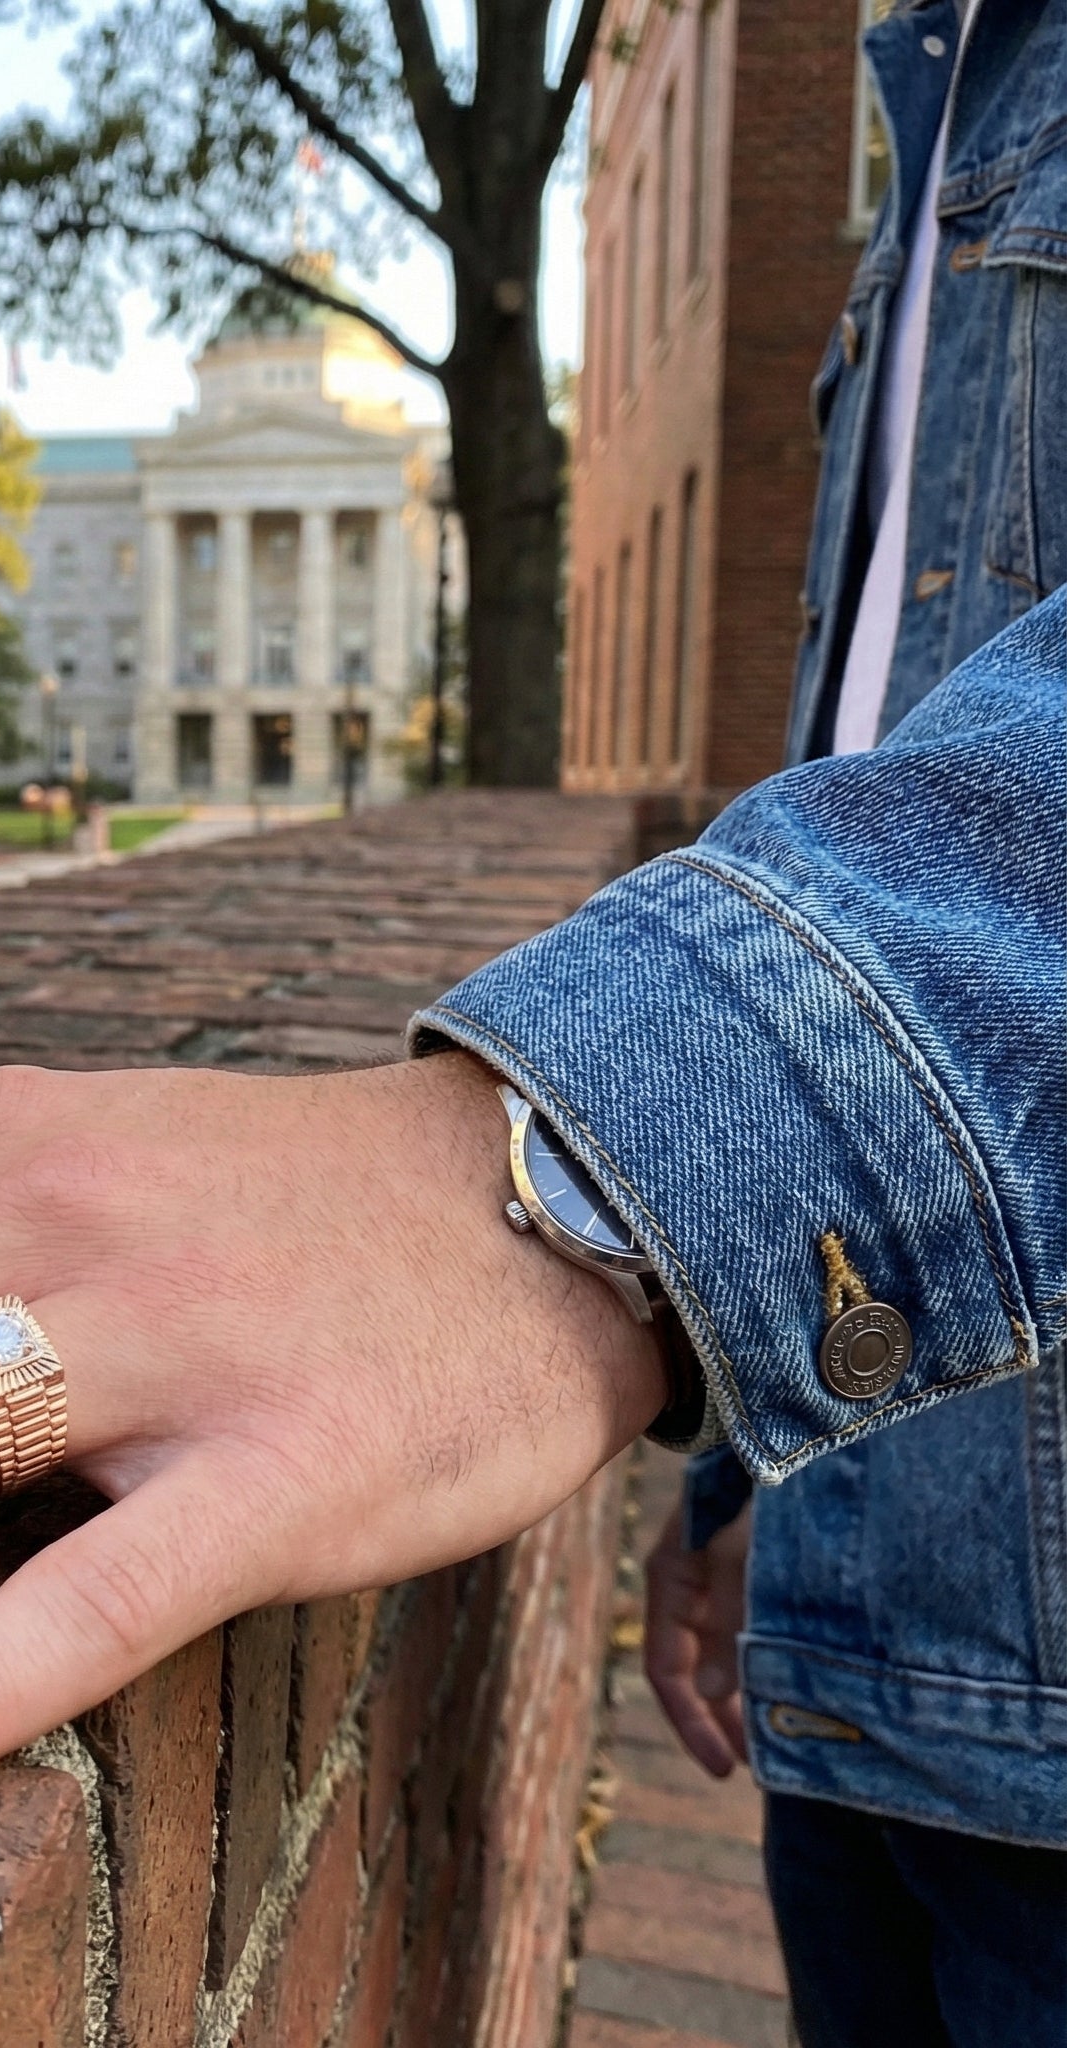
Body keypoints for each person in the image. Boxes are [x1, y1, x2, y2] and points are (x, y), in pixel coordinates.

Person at [0, 0, 1059, 2026]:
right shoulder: (942, 86)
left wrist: (591, 1185)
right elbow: (890, 740)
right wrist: (764, 1467)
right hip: (877, 1555)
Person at [637, 2, 1067, 2039]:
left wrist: (570, 1132)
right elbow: (852, 776)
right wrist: (736, 1474)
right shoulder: (930, 126)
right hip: (865, 1594)